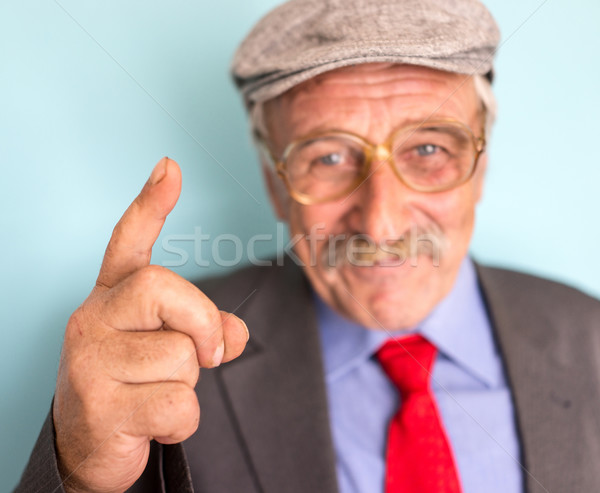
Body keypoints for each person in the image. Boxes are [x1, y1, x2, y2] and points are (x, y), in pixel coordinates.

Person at [15, 0, 600, 492]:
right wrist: (84, 475)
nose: (381, 224)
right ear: (275, 185)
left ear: (480, 163)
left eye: (428, 150)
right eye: (328, 158)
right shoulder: (167, 361)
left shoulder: (590, 334)